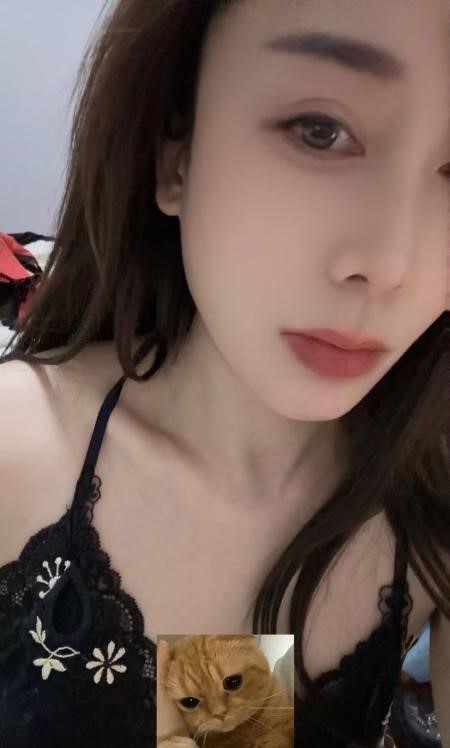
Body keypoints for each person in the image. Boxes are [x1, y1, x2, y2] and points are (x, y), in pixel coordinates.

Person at [0, 1, 449, 747]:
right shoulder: (15, 453)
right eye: (319, 129)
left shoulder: (423, 512)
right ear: (174, 156)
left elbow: (225, 725)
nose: (389, 263)